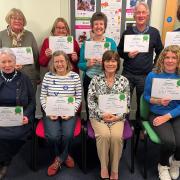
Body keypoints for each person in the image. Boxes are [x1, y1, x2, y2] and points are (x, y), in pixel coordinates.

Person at [117, 2, 163, 130]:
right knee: (123, 102)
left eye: (143, 12)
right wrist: (128, 55)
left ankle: (140, 129)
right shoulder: (127, 32)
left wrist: (155, 67)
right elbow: (119, 51)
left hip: (145, 75)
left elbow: (160, 51)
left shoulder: (154, 33)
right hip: (128, 73)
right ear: (134, 15)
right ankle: (122, 126)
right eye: (138, 12)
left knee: (142, 104)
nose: (141, 15)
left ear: (147, 14)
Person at [88, 50, 130, 180]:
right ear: (103, 63)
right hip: (98, 117)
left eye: (113, 61)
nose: (110, 64)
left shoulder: (124, 81)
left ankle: (115, 169)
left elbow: (127, 104)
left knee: (116, 137)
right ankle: (104, 167)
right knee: (105, 135)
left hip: (117, 117)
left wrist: (117, 116)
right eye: (107, 61)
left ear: (117, 63)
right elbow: (90, 101)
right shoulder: (95, 79)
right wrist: (101, 114)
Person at [40, 51, 82, 176]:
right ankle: (64, 156)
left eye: (62, 61)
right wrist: (48, 111)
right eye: (56, 61)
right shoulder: (48, 76)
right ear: (53, 63)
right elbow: (43, 96)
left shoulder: (74, 76)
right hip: (51, 111)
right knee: (53, 137)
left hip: (68, 111)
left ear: (67, 62)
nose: (59, 64)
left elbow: (78, 97)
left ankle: (58, 160)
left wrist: (71, 112)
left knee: (68, 135)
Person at [143, 45, 180, 180]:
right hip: (157, 112)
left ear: (178, 60)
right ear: (162, 59)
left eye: (174, 58)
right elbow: (146, 96)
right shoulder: (153, 75)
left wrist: (168, 116)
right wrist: (158, 102)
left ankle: (176, 162)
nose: (170, 60)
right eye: (167, 57)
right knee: (169, 142)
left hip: (175, 113)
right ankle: (163, 165)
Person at [0, 48, 35, 179]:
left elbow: (32, 102)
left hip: (20, 119)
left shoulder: (24, 79)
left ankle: (5, 160)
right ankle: (4, 160)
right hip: (1, 119)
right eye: (3, 62)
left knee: (18, 135)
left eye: (10, 61)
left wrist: (26, 115)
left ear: (15, 62)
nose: (7, 65)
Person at [78, 12, 117, 121]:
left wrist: (106, 63)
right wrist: (87, 64)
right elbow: (80, 64)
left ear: (104, 26)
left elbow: (116, 63)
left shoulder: (111, 43)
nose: (98, 26)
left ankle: (105, 125)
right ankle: (91, 126)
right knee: (90, 105)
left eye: (101, 24)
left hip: (107, 79)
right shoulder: (86, 44)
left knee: (105, 105)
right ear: (92, 26)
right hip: (89, 79)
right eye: (96, 24)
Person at [0, 8, 39, 93]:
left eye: (20, 19)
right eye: (14, 18)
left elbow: (36, 56)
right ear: (9, 20)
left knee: (29, 102)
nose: (17, 21)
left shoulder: (30, 35)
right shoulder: (1, 35)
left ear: (23, 21)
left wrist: (37, 76)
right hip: (7, 77)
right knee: (10, 102)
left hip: (28, 76)